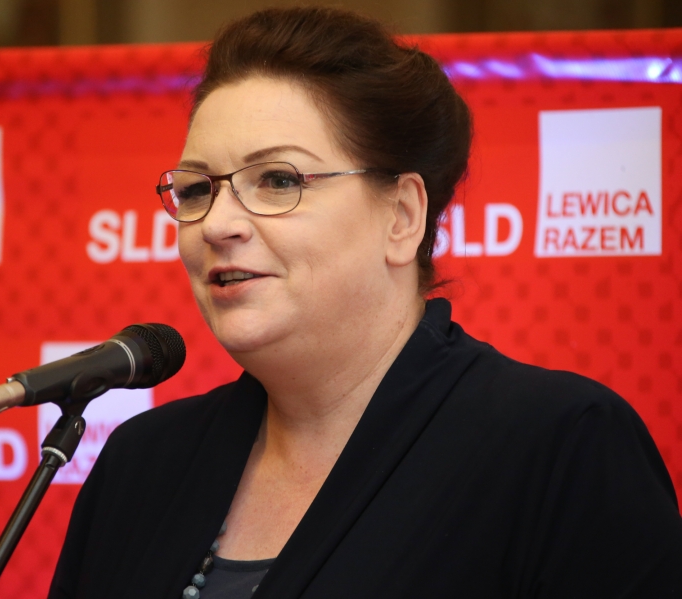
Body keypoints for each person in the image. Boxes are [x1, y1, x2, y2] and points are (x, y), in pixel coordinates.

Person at [49, 7, 682, 598]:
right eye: (196, 190)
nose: (217, 225)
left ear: (402, 216)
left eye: (278, 180)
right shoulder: (141, 463)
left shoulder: (563, 447)